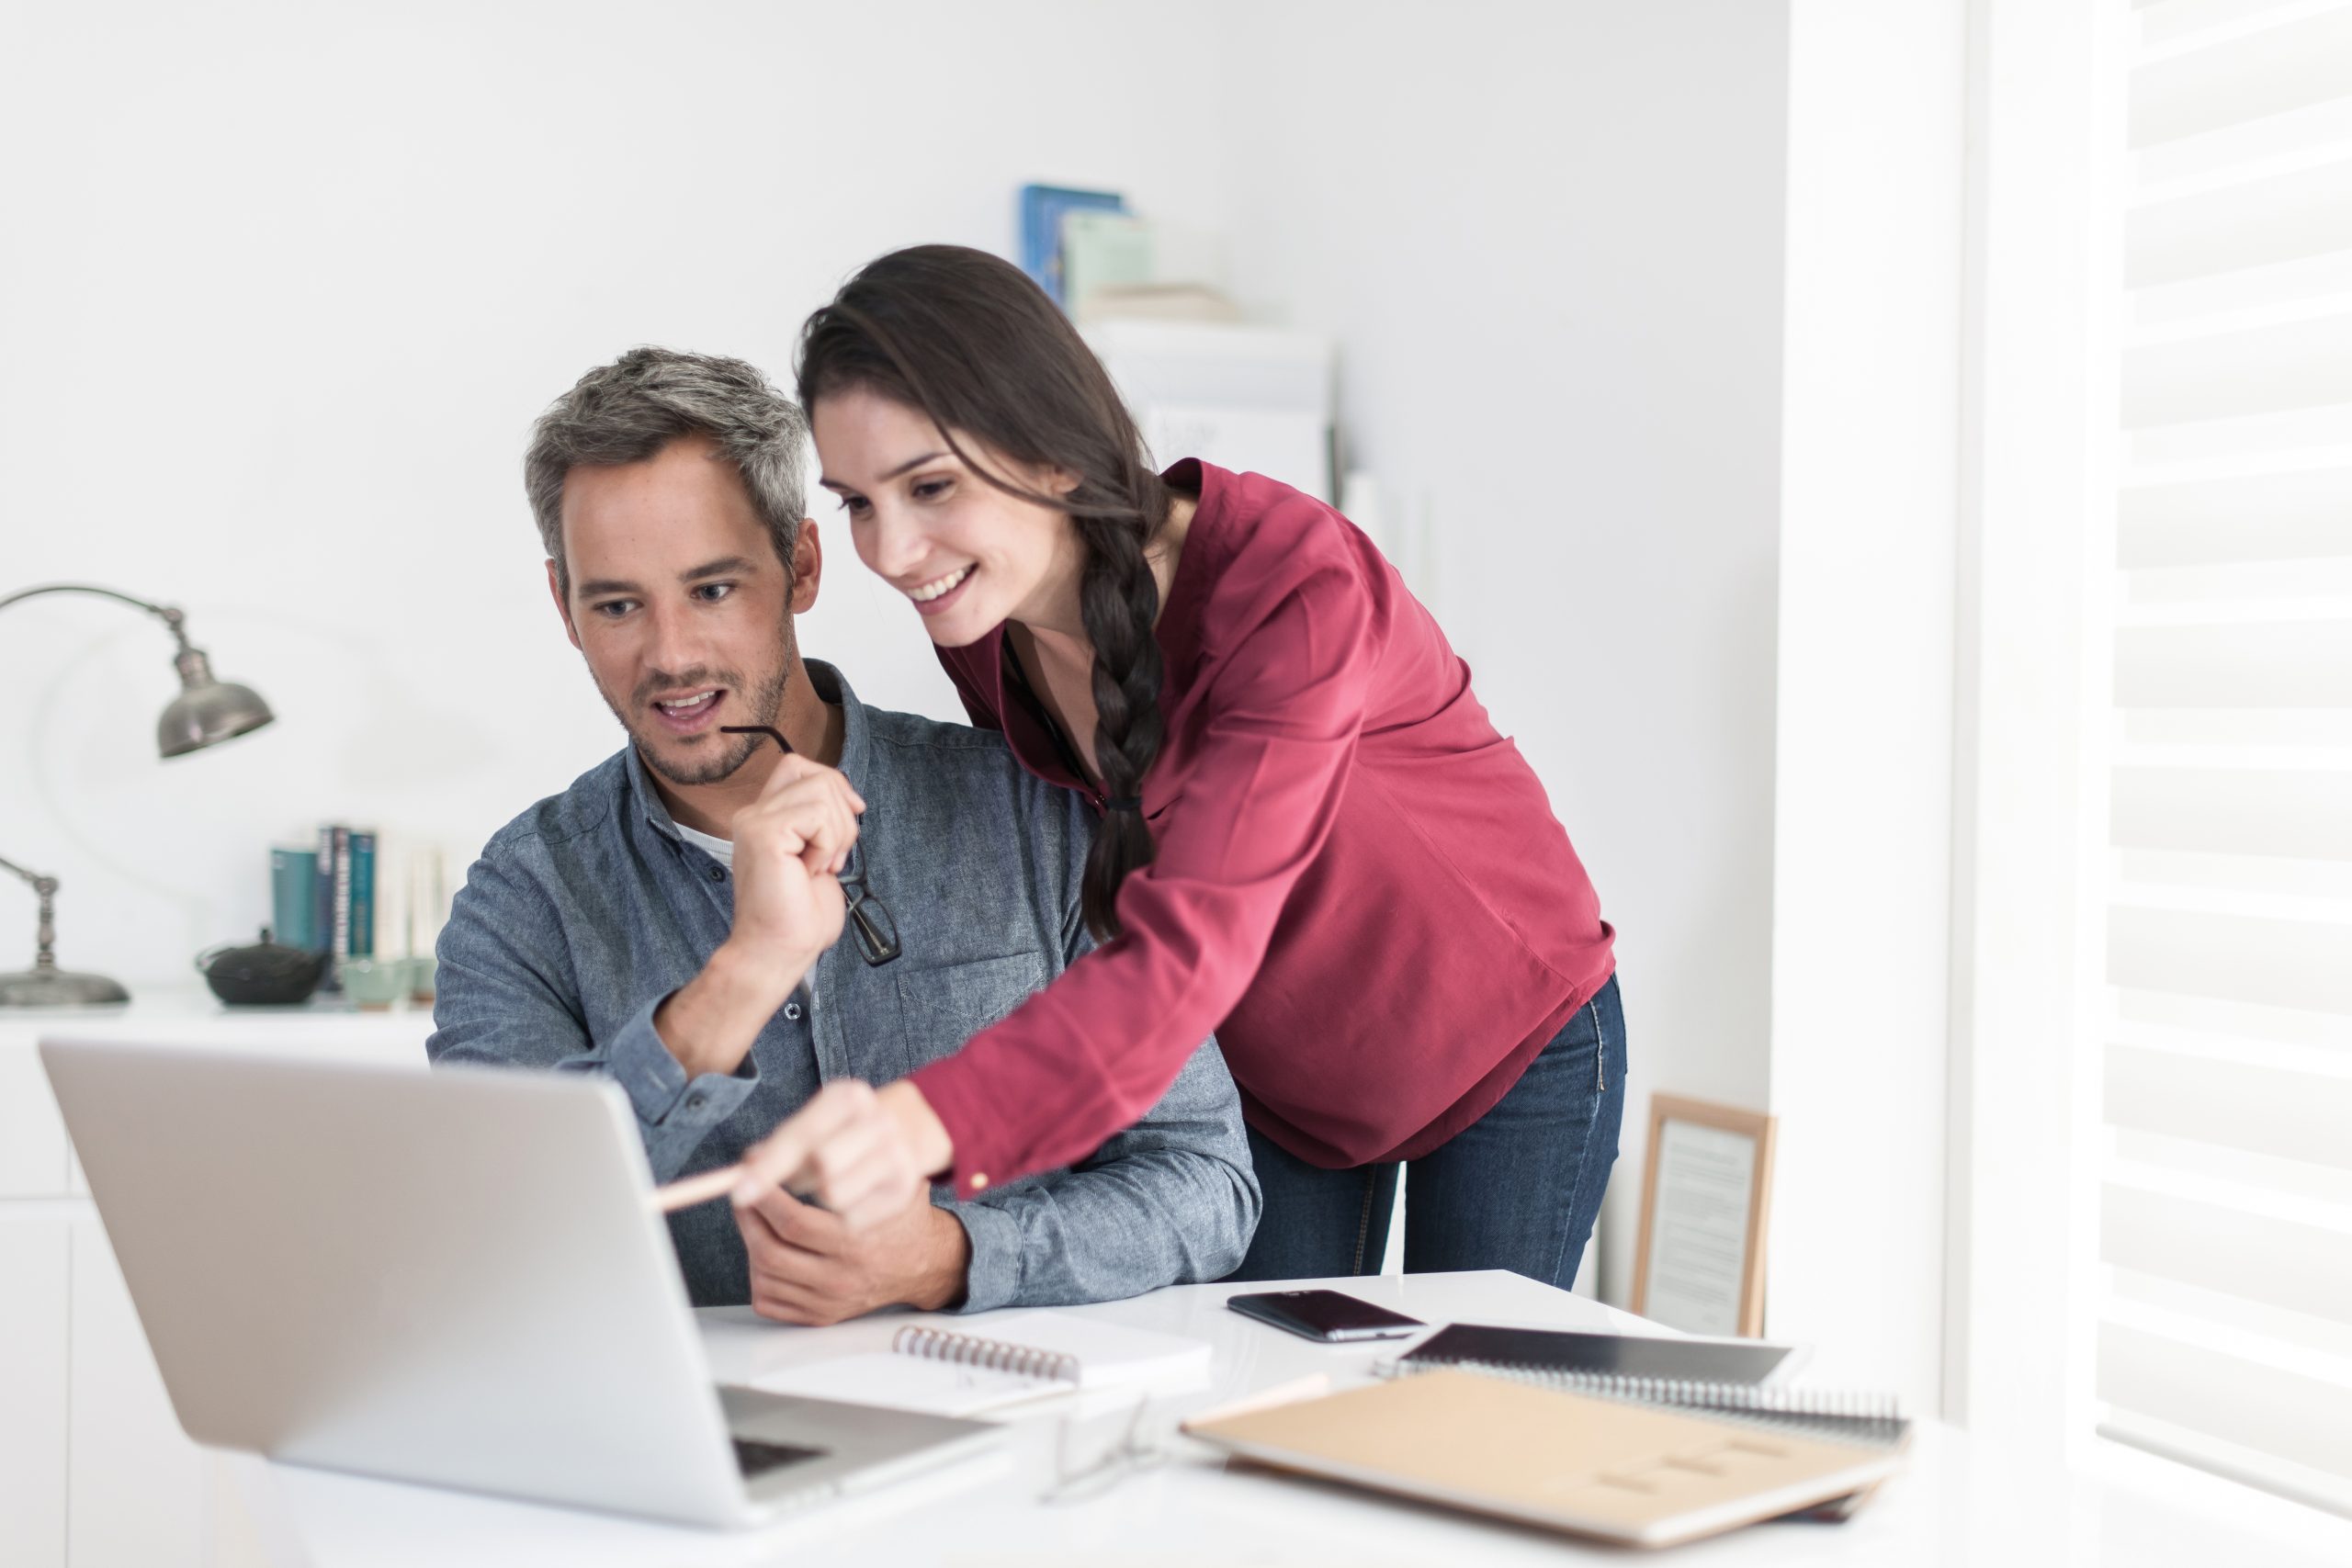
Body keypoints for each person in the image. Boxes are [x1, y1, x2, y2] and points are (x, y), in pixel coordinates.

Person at [731, 245, 1623, 1289]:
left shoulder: (1295, 588)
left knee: (1467, 1428)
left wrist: (920, 1121)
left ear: (1052, 448)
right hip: (1277, 1073)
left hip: (1497, 1034)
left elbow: (1183, 945)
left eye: (929, 486)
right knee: (1255, 1404)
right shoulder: (983, 615)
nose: (890, 551)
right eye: (859, 503)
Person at [427, 346, 1257, 1325]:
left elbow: (1205, 1183)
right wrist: (745, 968)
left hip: (1011, 1431)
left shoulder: (1030, 808)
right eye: (617, 605)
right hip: (713, 1448)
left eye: (714, 589)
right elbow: (500, 1233)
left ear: (801, 567)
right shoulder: (522, 899)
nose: (671, 654)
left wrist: (949, 1257)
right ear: (564, 607)